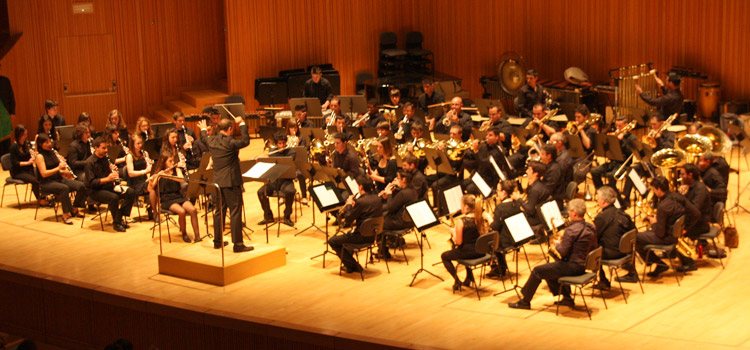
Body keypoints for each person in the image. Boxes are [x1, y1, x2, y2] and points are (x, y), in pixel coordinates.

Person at [509, 198, 596, 310]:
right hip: (583, 265)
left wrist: (558, 243)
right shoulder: (590, 227)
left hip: (572, 267)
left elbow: (562, 251)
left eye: (569, 211)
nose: (568, 213)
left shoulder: (571, 230)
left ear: (574, 213)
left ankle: (525, 301)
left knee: (537, 271)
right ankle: (567, 298)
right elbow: (594, 247)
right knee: (550, 269)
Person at [197, 116, 253, 252]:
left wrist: (203, 129)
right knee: (235, 212)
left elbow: (204, 137)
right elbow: (245, 141)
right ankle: (238, 244)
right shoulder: (230, 142)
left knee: (219, 212)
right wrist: (242, 123)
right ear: (229, 129)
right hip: (231, 182)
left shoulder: (211, 140)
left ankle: (218, 241)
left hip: (217, 182)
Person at [635, 176, 700, 277]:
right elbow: (696, 213)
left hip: (667, 238)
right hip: (674, 233)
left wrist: (653, 222)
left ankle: (658, 263)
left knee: (636, 237)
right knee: (644, 234)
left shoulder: (663, 206)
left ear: (659, 189)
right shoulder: (678, 196)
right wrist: (686, 228)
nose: (653, 192)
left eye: (654, 189)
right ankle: (659, 263)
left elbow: (660, 233)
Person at [329, 175, 383, 273]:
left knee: (332, 241)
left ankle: (354, 265)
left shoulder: (361, 202)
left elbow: (348, 219)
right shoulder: (377, 198)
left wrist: (349, 204)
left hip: (361, 236)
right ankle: (349, 266)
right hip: (374, 235)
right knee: (348, 236)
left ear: (361, 187)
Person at [84, 137, 136, 232]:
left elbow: (113, 174)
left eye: (106, 147)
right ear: (96, 148)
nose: (106, 150)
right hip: (95, 191)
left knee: (131, 192)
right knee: (114, 198)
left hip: (109, 186)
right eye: (103, 148)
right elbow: (91, 183)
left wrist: (114, 170)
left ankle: (118, 216)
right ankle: (117, 223)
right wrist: (107, 178)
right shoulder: (89, 163)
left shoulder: (107, 158)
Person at [442, 194, 493, 291]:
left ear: (466, 207)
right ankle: (469, 277)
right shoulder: (480, 217)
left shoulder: (461, 222)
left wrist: (453, 232)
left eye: (461, 205)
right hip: (481, 252)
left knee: (445, 256)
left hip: (468, 253)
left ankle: (457, 281)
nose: (460, 207)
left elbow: (459, 242)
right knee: (460, 250)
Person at [34, 133, 85, 224]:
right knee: (64, 188)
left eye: (50, 142)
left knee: (81, 185)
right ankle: (65, 215)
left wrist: (64, 170)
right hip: (46, 183)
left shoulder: (53, 152)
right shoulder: (39, 156)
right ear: (40, 144)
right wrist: (58, 168)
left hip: (58, 179)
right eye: (46, 143)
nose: (50, 144)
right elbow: (44, 174)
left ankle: (75, 208)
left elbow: (58, 169)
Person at [152, 152, 200, 243]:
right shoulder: (159, 172)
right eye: (170, 161)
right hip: (167, 199)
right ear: (164, 162)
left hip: (178, 196)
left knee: (193, 210)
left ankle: (197, 236)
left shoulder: (176, 169)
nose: (172, 162)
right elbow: (151, 187)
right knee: (181, 212)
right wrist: (157, 177)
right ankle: (184, 234)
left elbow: (182, 179)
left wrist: (169, 177)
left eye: (173, 160)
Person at [593, 186, 636, 288]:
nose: (597, 200)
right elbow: (634, 231)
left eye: (598, 198)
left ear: (603, 201)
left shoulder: (602, 217)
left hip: (612, 254)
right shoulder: (623, 214)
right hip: (625, 251)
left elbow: (593, 236)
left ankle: (603, 280)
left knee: (589, 249)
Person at [256, 132, 296, 228]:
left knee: (291, 191)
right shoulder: (272, 152)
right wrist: (260, 159)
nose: (282, 146)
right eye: (279, 143)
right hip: (274, 180)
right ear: (276, 143)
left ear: (286, 143)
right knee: (261, 192)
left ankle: (287, 216)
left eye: (283, 143)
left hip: (286, 180)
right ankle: (268, 216)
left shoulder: (291, 152)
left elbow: (288, 162)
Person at [591, 116, 636, 194]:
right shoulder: (614, 136)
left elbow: (630, 152)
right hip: (612, 162)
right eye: (616, 126)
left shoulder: (632, 138)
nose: (617, 128)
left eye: (620, 126)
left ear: (626, 125)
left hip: (624, 165)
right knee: (594, 171)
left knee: (611, 176)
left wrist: (620, 141)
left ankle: (613, 194)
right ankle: (602, 191)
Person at [487, 180, 523, 278]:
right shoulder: (517, 203)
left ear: (504, 192)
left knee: (488, 239)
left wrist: (488, 218)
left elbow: (494, 227)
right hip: (518, 236)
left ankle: (500, 267)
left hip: (506, 242)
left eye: (498, 190)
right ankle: (501, 266)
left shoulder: (500, 207)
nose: (496, 193)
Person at [380, 170, 418, 258]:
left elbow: (390, 207)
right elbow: (397, 203)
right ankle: (395, 241)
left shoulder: (403, 193)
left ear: (404, 180)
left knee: (379, 222)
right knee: (384, 216)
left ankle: (383, 251)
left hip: (400, 222)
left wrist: (388, 194)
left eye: (398, 178)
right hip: (410, 221)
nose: (396, 180)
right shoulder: (412, 190)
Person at [9, 125, 45, 205]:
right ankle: (41, 200)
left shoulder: (26, 143)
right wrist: (28, 162)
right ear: (19, 135)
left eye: (26, 134)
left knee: (42, 176)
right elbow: (15, 163)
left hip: (28, 169)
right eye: (24, 135)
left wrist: (34, 155)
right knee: (35, 181)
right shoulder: (13, 147)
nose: (26, 136)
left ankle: (45, 196)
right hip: (18, 171)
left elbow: (30, 156)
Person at [678, 164, 712, 244]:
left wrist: (681, 198)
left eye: (682, 174)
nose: (680, 176)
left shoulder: (700, 189)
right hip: (694, 221)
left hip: (700, 224)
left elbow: (694, 210)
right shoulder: (690, 186)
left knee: (672, 231)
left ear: (690, 175)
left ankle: (672, 253)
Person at [126, 133, 153, 216]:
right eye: (138, 143)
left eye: (141, 143)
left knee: (157, 184)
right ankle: (153, 210)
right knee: (153, 187)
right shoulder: (129, 156)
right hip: (134, 184)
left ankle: (151, 208)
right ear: (133, 144)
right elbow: (130, 173)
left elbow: (149, 168)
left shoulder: (145, 153)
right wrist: (145, 171)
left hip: (144, 180)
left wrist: (150, 164)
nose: (140, 145)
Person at [517, 161, 549, 228]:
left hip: (535, 219)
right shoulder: (540, 184)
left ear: (535, 173)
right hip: (540, 215)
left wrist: (519, 199)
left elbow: (531, 210)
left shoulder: (535, 190)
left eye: (529, 170)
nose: (526, 171)